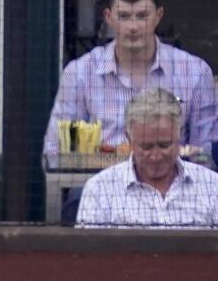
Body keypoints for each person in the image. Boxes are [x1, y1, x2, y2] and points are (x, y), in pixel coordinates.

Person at [43, 0, 216, 158]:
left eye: (142, 16)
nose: (133, 26)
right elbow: (55, 150)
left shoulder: (195, 72)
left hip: (172, 183)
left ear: (159, 16)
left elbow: (206, 153)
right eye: (124, 16)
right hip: (98, 182)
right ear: (108, 17)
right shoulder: (80, 73)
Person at [76, 87, 218, 228]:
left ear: (179, 134)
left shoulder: (212, 186)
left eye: (164, 145)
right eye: (146, 147)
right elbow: (88, 249)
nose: (155, 156)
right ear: (128, 138)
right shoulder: (99, 190)